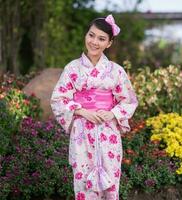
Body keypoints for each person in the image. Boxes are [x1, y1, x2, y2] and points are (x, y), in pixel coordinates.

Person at [50, 14, 138, 200]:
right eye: (91, 35)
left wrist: (112, 113)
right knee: (82, 181)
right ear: (86, 35)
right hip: (82, 132)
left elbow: (128, 100)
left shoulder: (116, 71)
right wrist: (81, 111)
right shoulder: (72, 69)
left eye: (101, 38)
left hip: (108, 132)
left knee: (111, 179)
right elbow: (59, 98)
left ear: (109, 43)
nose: (94, 42)